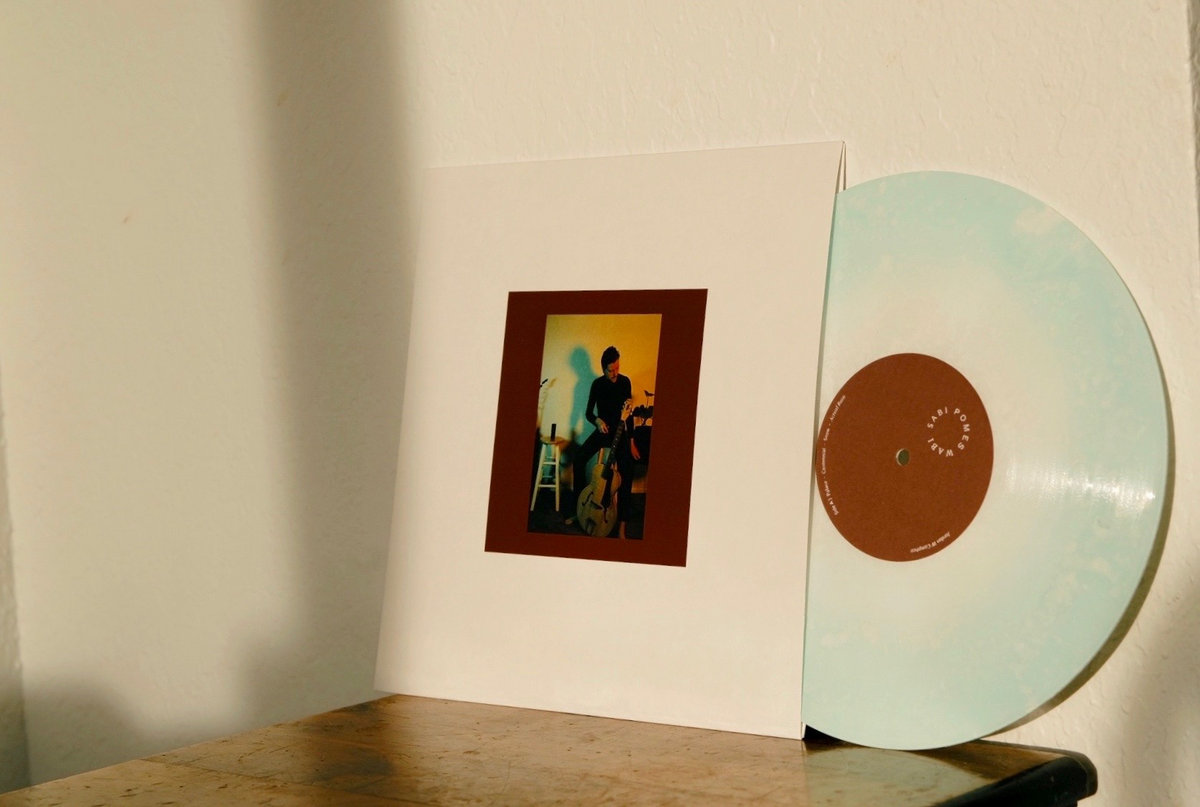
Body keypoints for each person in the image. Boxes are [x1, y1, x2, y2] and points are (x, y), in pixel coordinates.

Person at [572, 346, 641, 537]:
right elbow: (588, 413)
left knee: (628, 470)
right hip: (603, 432)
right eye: (611, 370)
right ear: (603, 369)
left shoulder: (625, 382)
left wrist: (632, 441)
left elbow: (628, 414)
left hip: (620, 433)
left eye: (617, 368)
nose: (615, 373)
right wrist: (597, 421)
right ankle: (580, 508)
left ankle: (622, 524)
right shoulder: (597, 384)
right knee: (578, 459)